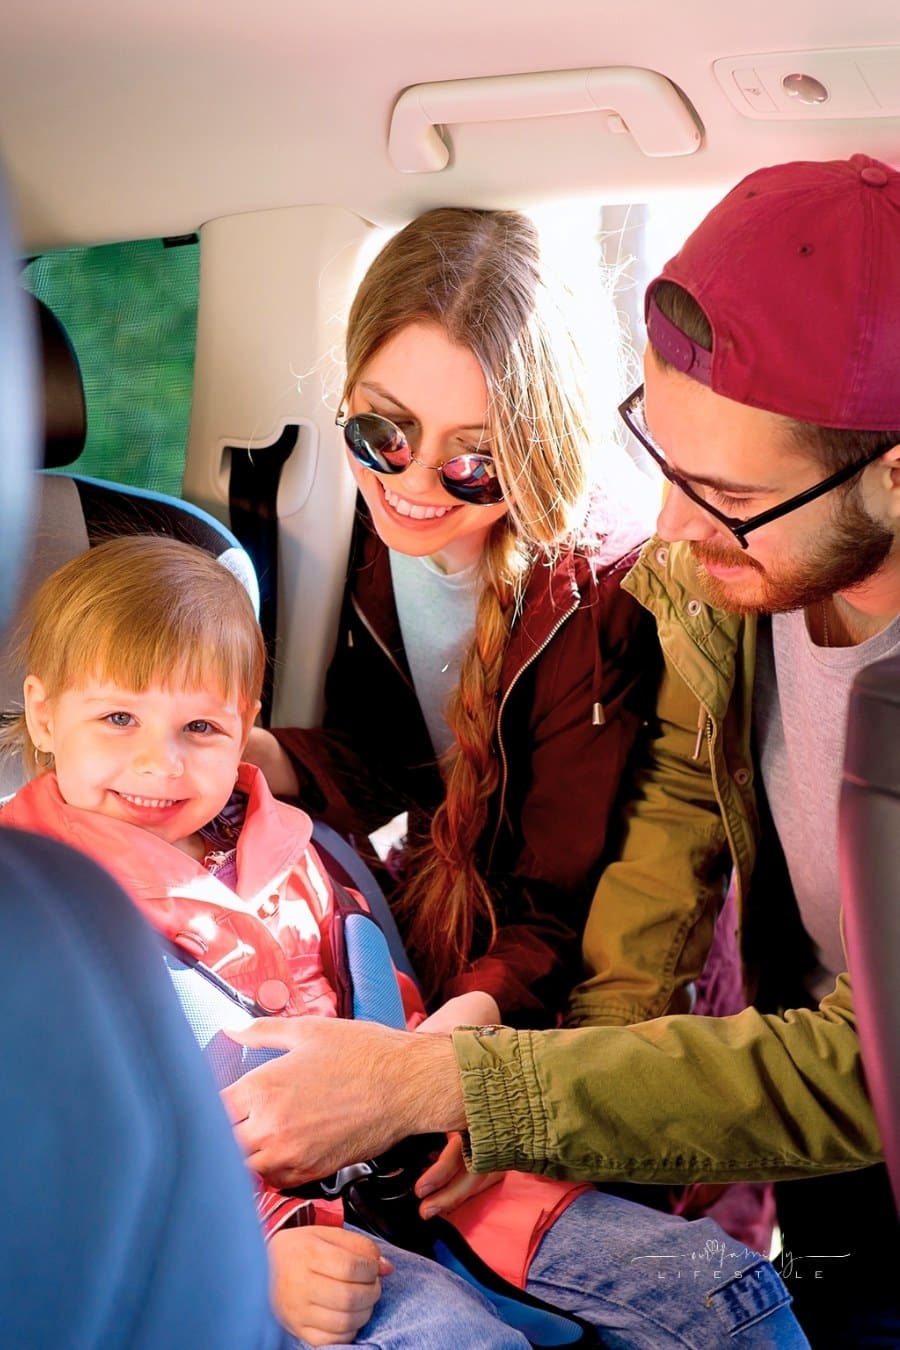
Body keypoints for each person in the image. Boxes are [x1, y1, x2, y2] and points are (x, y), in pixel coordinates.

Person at [220, 154, 900, 1348]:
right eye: (660, 455)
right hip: (803, 1141)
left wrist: (456, 1085)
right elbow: (666, 854)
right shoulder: (720, 588)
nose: (672, 533)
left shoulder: (608, 605)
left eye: (724, 492)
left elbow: (862, 1066)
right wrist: (554, 1114)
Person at [0, 534, 806, 1349]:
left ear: (246, 725)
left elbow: (392, 1006)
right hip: (245, 1238)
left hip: (428, 1180)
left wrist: (462, 1111)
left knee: (723, 1290)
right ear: (42, 711)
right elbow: (56, 1158)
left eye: (200, 727)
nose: (158, 762)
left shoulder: (307, 852)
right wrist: (248, 1256)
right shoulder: (30, 909)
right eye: (117, 718)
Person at [244, 205, 661, 1031]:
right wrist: (262, 755)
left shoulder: (604, 588)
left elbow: (568, 899)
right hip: (429, 942)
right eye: (382, 428)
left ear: (544, 450)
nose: (417, 483)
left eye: (473, 461)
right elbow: (403, 780)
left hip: (565, 1008)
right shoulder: (357, 529)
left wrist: (441, 1063)